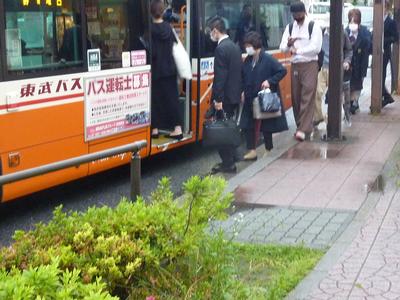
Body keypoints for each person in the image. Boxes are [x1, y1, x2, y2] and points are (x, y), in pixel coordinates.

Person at [240, 31, 288, 161]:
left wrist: (269, 81)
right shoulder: (248, 60)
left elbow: (282, 70)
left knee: (267, 123)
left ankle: (268, 148)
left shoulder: (268, 59)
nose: (247, 48)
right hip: (250, 95)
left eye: (249, 45)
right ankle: (252, 150)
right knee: (246, 123)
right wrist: (243, 91)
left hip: (263, 96)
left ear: (256, 45)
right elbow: (243, 76)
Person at [279, 1, 322, 141]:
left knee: (307, 95)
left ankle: (303, 129)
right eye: (294, 14)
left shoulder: (313, 26)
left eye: (299, 13)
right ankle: (301, 126)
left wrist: (299, 50)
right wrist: (289, 44)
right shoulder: (290, 27)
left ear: (304, 12)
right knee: (296, 97)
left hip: (310, 64)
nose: (296, 16)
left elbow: (316, 48)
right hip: (295, 64)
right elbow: (282, 48)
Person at [208, 17, 242, 174]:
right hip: (234, 95)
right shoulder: (234, 46)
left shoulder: (221, 49)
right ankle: (234, 157)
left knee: (222, 130)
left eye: (211, 31)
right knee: (230, 126)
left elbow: (220, 77)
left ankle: (228, 163)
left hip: (225, 97)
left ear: (216, 30)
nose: (210, 35)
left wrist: (218, 100)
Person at [150, 0, 183, 140]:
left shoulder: (149, 29)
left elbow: (149, 51)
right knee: (172, 98)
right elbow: (175, 46)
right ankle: (177, 128)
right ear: (163, 12)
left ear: (151, 12)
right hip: (170, 69)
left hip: (156, 70)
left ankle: (155, 129)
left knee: (155, 99)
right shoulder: (169, 28)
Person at [314, 22, 353, 128]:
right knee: (317, 93)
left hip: (336, 68)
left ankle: (330, 120)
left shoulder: (342, 33)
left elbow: (349, 50)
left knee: (334, 96)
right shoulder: (320, 33)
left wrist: (346, 61)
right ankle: (318, 118)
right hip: (322, 68)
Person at [345, 8, 371, 115]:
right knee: (348, 85)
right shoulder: (345, 31)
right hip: (348, 65)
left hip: (360, 64)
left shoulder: (365, 32)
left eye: (355, 22)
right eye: (351, 22)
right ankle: (350, 103)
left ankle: (354, 102)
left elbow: (369, 46)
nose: (352, 24)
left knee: (358, 85)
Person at [382, 0, 399, 107]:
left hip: (385, 51)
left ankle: (385, 97)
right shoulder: (377, 20)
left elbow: (396, 37)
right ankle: (386, 96)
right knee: (378, 75)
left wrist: (384, 40)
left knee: (382, 75)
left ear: (387, 9)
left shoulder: (391, 22)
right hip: (377, 51)